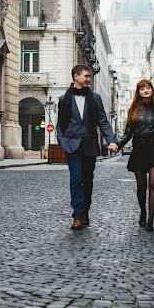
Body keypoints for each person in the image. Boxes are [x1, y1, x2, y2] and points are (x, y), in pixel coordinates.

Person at [56, 64, 118, 230]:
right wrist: (62, 141)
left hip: (90, 145)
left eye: (90, 76)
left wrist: (111, 140)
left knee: (87, 181)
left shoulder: (95, 98)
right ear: (76, 76)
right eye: (86, 76)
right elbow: (60, 124)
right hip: (73, 146)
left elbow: (103, 122)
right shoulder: (63, 99)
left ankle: (85, 211)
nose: (89, 79)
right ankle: (77, 215)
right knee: (76, 179)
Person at [117, 79, 154, 232]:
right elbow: (128, 133)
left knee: (153, 184)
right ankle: (143, 211)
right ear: (138, 92)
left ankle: (150, 221)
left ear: (152, 90)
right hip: (139, 151)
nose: (145, 90)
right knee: (141, 186)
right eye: (142, 89)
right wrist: (117, 144)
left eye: (148, 88)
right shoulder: (133, 110)